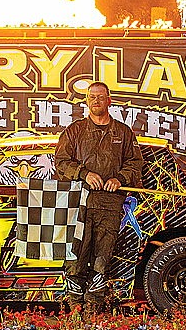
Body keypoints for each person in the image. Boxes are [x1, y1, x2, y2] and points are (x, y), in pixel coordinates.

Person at [54, 81, 143, 313]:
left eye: (101, 97)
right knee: (76, 255)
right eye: (92, 97)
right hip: (78, 203)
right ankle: (74, 308)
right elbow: (61, 162)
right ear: (86, 101)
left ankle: (94, 308)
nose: (96, 101)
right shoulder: (74, 131)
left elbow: (136, 164)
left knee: (103, 256)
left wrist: (120, 179)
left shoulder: (123, 132)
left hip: (110, 204)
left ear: (109, 100)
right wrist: (84, 173)